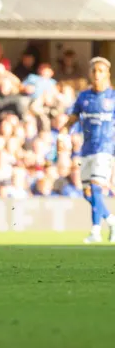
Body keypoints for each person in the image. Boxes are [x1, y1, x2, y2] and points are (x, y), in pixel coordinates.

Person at [61, 57, 115, 243]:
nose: (97, 74)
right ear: (90, 73)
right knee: (87, 193)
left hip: (105, 149)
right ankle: (112, 221)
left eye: (101, 71)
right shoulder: (83, 97)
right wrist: (64, 133)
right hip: (86, 149)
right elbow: (73, 117)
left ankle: (95, 231)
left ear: (107, 73)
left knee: (95, 187)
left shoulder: (113, 98)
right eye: (94, 70)